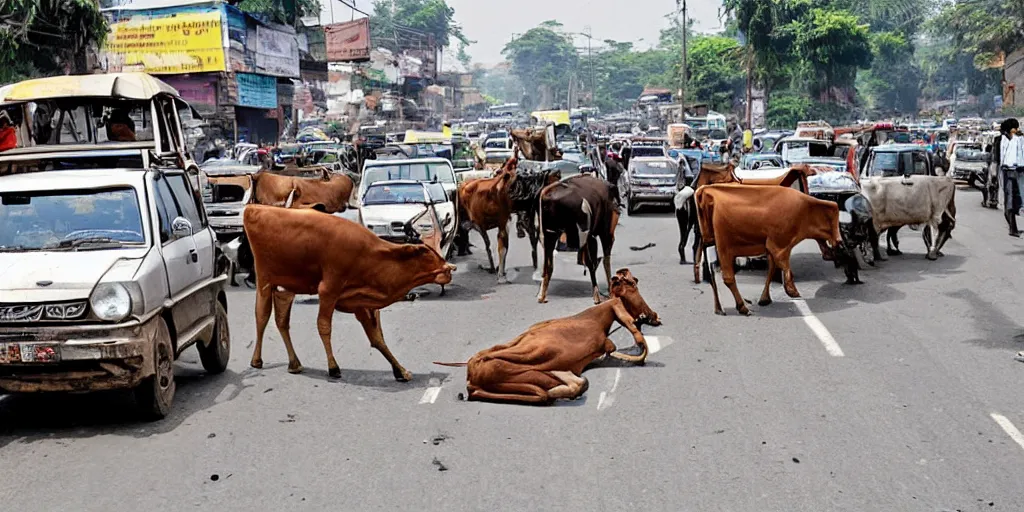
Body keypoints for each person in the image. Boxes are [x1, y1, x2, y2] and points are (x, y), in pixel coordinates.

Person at [998, 118, 1024, 237]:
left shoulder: (1017, 138)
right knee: (1010, 201)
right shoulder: (1005, 139)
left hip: (1014, 170)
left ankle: (1013, 227)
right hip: (1010, 171)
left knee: (1013, 200)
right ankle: (1012, 228)